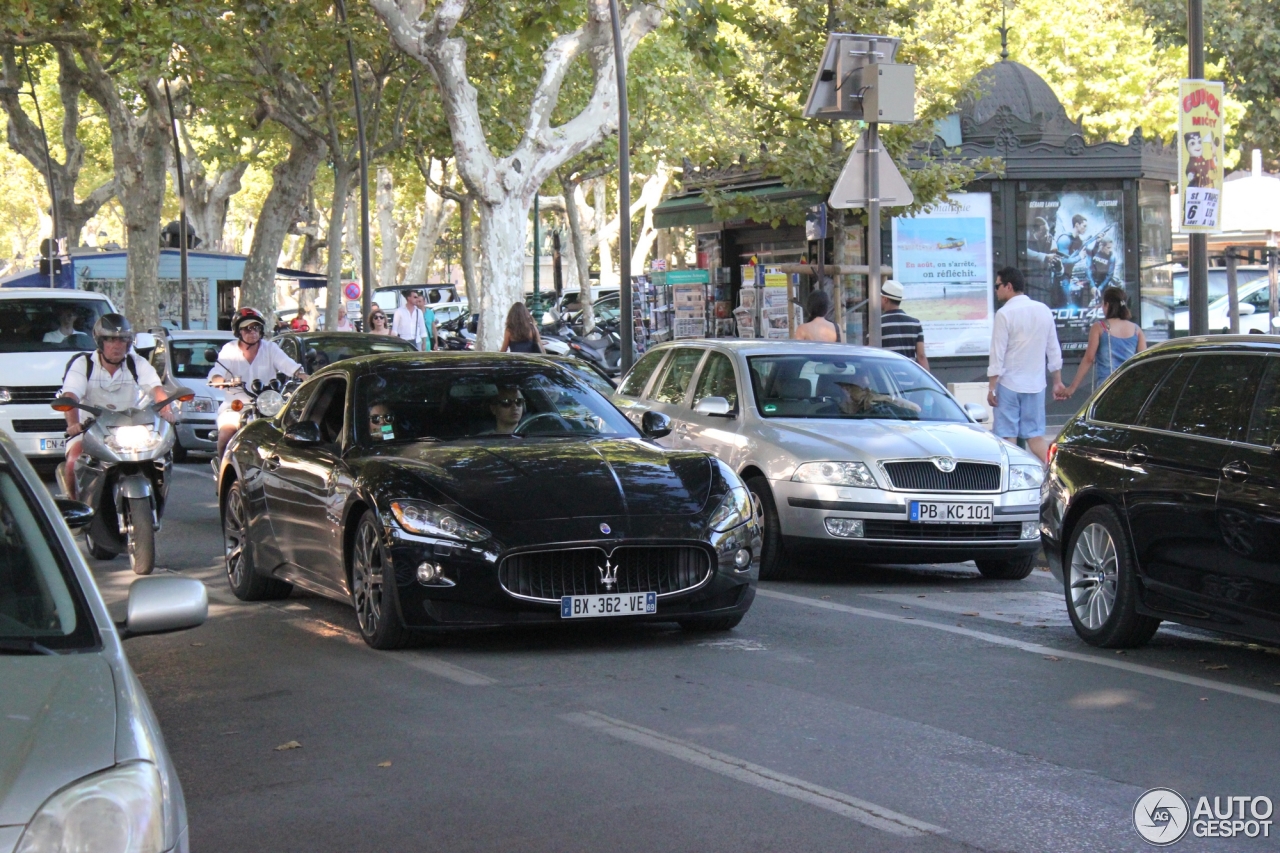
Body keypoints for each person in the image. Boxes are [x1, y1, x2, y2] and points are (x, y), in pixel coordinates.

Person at [58, 314, 174, 499]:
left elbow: (156, 389)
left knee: (160, 458)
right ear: (100, 341)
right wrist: (73, 424)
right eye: (111, 339)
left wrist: (166, 410)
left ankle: (155, 498)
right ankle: (76, 510)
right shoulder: (83, 364)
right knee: (73, 462)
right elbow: (70, 395)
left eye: (123, 340)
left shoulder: (137, 363)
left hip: (131, 428)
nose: (117, 345)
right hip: (91, 430)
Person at [987, 267, 1065, 464]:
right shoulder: (1044, 310)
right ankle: (1054, 470)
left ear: (1009, 286)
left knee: (1007, 438)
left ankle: (1015, 478)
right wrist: (1057, 381)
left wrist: (991, 387)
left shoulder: (1004, 314)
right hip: (1036, 385)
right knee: (1036, 437)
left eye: (997, 286)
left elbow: (998, 353)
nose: (996, 290)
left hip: (1008, 384)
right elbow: (1053, 349)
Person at [208, 307, 306, 459]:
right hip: (236, 405)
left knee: (293, 431)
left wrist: (302, 374)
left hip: (267, 405)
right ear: (238, 331)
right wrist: (219, 380)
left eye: (255, 328)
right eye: (246, 329)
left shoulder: (270, 348)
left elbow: (286, 364)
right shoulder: (229, 350)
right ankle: (223, 473)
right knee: (226, 435)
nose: (252, 332)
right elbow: (217, 371)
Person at [1059, 287, 1146, 399]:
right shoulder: (1136, 330)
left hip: (1107, 387)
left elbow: (1089, 359)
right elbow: (1143, 360)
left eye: (1103, 303)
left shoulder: (1100, 327)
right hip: (1130, 386)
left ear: (1107, 305)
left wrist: (1072, 387)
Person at [879, 279, 929, 370]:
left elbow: (871, 352)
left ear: (885, 299)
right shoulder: (915, 323)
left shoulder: (878, 324)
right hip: (909, 377)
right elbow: (921, 356)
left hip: (887, 380)